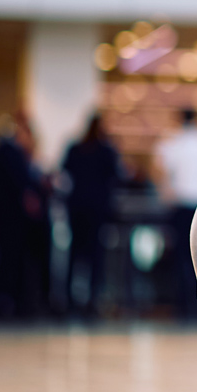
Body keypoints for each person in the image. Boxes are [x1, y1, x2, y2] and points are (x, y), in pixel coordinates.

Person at [154, 108, 197, 322]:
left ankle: (181, 303)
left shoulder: (172, 144)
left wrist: (167, 192)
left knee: (180, 257)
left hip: (179, 205)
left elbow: (160, 173)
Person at [0, 114, 49, 320]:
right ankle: (4, 301)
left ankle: (11, 300)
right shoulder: (8, 150)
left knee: (13, 259)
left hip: (15, 219)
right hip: (8, 216)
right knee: (7, 259)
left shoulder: (18, 155)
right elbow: (18, 184)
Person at [61, 113, 123, 318]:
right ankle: (92, 301)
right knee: (96, 256)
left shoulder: (75, 148)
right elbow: (117, 176)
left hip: (77, 208)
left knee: (75, 255)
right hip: (97, 209)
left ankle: (69, 300)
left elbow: (65, 172)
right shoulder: (106, 151)